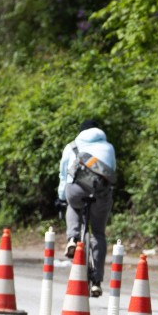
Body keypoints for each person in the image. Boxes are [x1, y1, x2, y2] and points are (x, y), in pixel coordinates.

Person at [57, 119, 116, 298]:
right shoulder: (108, 147)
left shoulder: (71, 146)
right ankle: (97, 281)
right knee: (98, 233)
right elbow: (112, 171)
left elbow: (63, 176)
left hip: (77, 188)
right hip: (100, 191)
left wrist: (61, 198)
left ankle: (73, 238)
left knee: (73, 205)